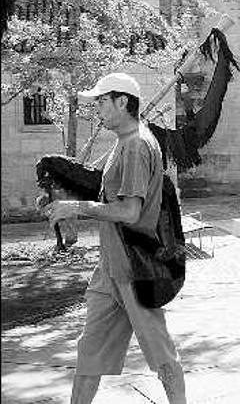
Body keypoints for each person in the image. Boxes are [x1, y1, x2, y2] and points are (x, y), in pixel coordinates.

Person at [41, 72, 186, 404]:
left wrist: (77, 207)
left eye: (102, 102)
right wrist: (63, 205)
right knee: (90, 351)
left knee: (162, 357)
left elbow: (129, 212)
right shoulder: (124, 142)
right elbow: (105, 197)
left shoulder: (136, 145)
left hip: (135, 271)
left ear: (123, 102)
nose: (97, 109)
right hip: (110, 269)